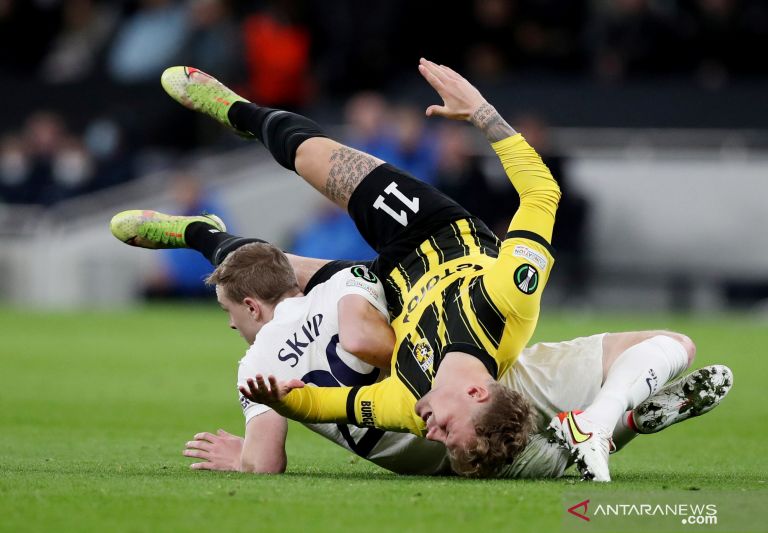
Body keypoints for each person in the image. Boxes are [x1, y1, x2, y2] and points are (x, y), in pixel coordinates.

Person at [153, 59, 560, 477]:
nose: (430, 434)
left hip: (388, 291)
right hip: (435, 235)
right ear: (476, 392)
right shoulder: (510, 296)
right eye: (447, 429)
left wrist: (280, 397)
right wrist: (480, 111)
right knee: (313, 156)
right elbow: (542, 193)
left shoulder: (408, 404)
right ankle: (242, 111)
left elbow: (323, 404)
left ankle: (201, 235)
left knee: (261, 270)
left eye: (440, 440)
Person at [111, 209, 733, 481]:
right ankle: (615, 413)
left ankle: (617, 423)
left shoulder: (255, 364)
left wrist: (240, 458)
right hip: (476, 386)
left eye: (230, 312)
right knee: (665, 343)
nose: (230, 327)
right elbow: (295, 278)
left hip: (439, 436)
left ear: (251, 307)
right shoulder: (345, 287)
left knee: (552, 463)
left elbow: (266, 462)